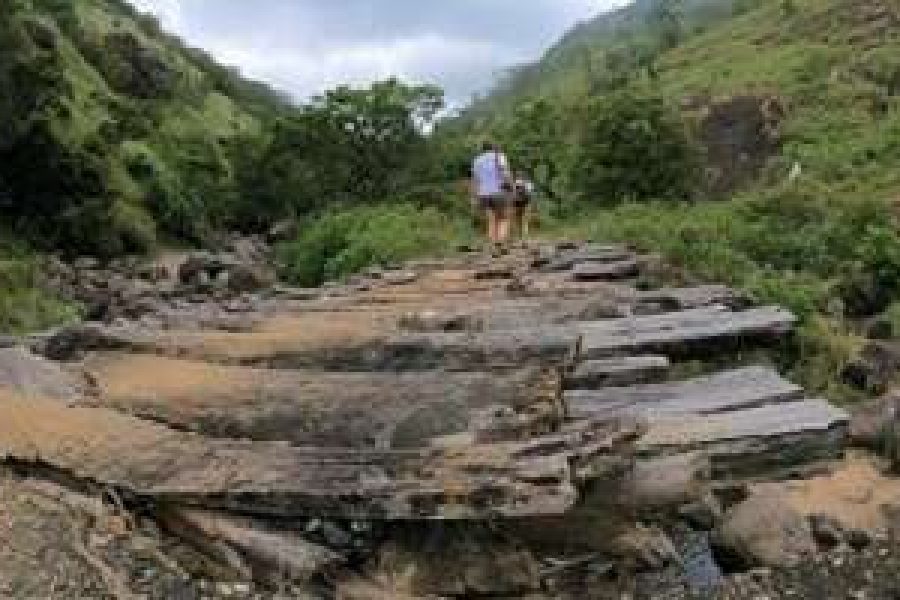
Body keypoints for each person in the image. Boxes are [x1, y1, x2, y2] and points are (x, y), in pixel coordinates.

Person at [470, 141, 513, 245]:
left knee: (492, 219)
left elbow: (475, 180)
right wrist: (511, 186)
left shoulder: (477, 160)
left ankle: (493, 243)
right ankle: (501, 241)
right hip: (499, 192)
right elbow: (504, 173)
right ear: (492, 147)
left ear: (482, 149)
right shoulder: (499, 157)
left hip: (483, 194)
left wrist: (474, 196)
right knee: (504, 218)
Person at [512, 172, 535, 239]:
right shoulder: (528, 183)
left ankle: (519, 234)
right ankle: (525, 234)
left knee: (518, 219)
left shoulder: (514, 183)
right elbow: (530, 193)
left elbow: (511, 193)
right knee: (525, 219)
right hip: (526, 202)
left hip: (517, 202)